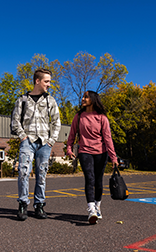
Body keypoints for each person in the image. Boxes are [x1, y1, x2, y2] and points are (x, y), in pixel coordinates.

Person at [11, 68, 61, 221]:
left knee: (42, 175)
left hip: (44, 143)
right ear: (37, 81)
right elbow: (15, 121)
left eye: (50, 81)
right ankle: (23, 204)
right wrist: (23, 137)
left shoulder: (50, 100)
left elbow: (56, 122)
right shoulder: (22, 100)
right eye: (47, 81)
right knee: (23, 172)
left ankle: (39, 205)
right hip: (28, 142)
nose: (49, 84)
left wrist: (51, 141)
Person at [67, 90, 118, 225]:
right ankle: (91, 210)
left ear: (93, 100)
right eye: (83, 97)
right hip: (85, 152)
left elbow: (108, 138)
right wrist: (69, 148)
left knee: (98, 181)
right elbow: (72, 134)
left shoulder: (102, 118)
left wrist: (113, 157)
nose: (83, 99)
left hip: (101, 153)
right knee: (89, 179)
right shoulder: (78, 116)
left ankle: (97, 206)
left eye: (86, 97)